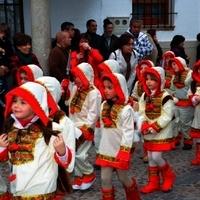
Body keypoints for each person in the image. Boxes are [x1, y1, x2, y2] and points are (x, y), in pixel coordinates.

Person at [0, 81, 72, 199]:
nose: (17, 105)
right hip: (18, 187)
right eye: (15, 101)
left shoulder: (50, 129)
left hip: (42, 188)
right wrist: (2, 147)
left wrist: (62, 151)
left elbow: (65, 162)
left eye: (23, 102)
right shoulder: (11, 128)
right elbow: (5, 159)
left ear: (36, 106)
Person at [95, 73, 141, 200]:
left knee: (122, 177)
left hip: (119, 149)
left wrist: (124, 151)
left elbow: (128, 132)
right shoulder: (104, 105)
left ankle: (134, 197)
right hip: (106, 148)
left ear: (119, 88)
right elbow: (102, 128)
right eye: (104, 87)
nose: (106, 90)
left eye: (110, 87)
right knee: (105, 179)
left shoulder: (126, 110)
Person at [139, 66, 175, 194]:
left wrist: (153, 127)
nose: (148, 82)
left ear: (159, 80)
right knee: (150, 156)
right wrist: (143, 124)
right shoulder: (144, 95)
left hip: (161, 131)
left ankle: (169, 175)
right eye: (147, 79)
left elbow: (167, 115)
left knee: (156, 155)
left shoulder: (166, 97)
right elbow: (141, 111)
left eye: (152, 79)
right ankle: (153, 182)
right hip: (148, 130)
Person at [69, 62, 102, 190]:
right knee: (75, 152)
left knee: (80, 154)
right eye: (75, 76)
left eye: (79, 76)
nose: (76, 79)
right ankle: (79, 177)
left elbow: (93, 113)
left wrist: (87, 129)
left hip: (84, 128)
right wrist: (65, 92)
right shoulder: (76, 89)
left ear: (86, 76)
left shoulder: (94, 93)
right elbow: (69, 103)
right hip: (73, 126)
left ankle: (89, 173)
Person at [130, 59, 154, 163]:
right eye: (141, 68)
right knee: (136, 131)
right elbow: (135, 95)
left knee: (146, 132)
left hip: (149, 110)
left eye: (146, 68)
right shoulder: (137, 83)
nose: (143, 70)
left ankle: (148, 152)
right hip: (138, 110)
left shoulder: (153, 84)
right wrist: (133, 102)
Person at [168, 57, 194, 150]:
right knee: (175, 122)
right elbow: (172, 88)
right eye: (172, 65)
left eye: (175, 64)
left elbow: (194, 87)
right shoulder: (174, 75)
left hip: (187, 104)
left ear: (181, 64)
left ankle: (188, 141)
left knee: (185, 123)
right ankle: (176, 139)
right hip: (176, 102)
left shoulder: (190, 74)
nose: (173, 66)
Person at [49, 31, 72, 115]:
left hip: (65, 85)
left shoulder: (64, 50)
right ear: (62, 39)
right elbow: (53, 67)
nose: (70, 39)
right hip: (60, 85)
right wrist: (63, 80)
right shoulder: (56, 51)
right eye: (68, 37)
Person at [0, 22, 14, 132]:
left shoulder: (7, 43)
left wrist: (3, 51)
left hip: (6, 69)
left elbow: (10, 53)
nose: (2, 35)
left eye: (3, 33)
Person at [188, 60, 200, 165]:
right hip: (198, 113)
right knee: (199, 138)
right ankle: (198, 156)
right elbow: (190, 94)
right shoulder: (194, 83)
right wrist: (194, 98)